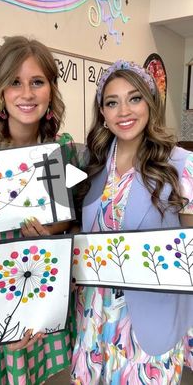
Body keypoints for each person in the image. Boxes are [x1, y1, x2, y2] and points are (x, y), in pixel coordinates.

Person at [0, 36, 77, 384]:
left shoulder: (60, 150)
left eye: (37, 82)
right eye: (15, 82)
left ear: (51, 90)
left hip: (37, 287)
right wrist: (4, 317)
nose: (26, 93)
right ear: (1, 91)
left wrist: (49, 230)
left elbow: (65, 218)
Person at [71, 59, 193, 384]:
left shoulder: (181, 165)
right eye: (112, 102)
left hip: (148, 323)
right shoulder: (91, 162)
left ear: (150, 102)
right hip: (95, 316)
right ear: (103, 113)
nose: (124, 111)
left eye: (135, 98)